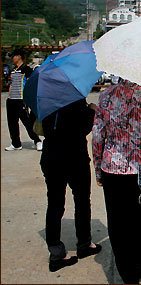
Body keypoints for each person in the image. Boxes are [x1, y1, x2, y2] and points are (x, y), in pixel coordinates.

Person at [92, 78, 141, 284]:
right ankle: (136, 265)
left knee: (117, 222)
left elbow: (98, 136)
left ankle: (125, 271)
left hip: (112, 169)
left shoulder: (105, 95)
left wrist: (98, 170)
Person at [41, 99, 102, 272]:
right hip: (74, 157)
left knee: (54, 204)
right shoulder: (74, 98)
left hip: (51, 156)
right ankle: (84, 243)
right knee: (82, 200)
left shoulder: (44, 98)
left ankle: (56, 253)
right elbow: (83, 128)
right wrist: (91, 111)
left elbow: (36, 124)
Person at [5, 48, 42, 151]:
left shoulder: (27, 70)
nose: (12, 58)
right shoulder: (13, 70)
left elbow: (32, 84)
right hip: (11, 100)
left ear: (19, 56)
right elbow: (11, 84)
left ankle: (37, 141)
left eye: (14, 56)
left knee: (27, 123)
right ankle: (16, 144)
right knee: (12, 123)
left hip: (21, 100)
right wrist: (9, 96)